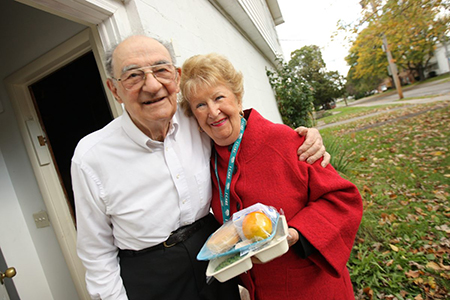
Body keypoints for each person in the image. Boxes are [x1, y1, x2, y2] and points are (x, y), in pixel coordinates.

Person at [71, 35, 329, 300]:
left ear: (176, 77)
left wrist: (302, 138)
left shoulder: (197, 118)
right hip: (151, 275)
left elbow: (238, 123)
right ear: (115, 90)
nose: (152, 85)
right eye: (133, 76)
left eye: (161, 70)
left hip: (213, 261)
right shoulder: (91, 156)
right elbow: (96, 251)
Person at [179, 53, 363, 300]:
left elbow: (343, 198)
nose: (213, 111)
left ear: (237, 97)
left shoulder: (287, 141)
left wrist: (297, 232)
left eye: (219, 97)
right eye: (200, 105)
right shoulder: (205, 160)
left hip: (311, 289)